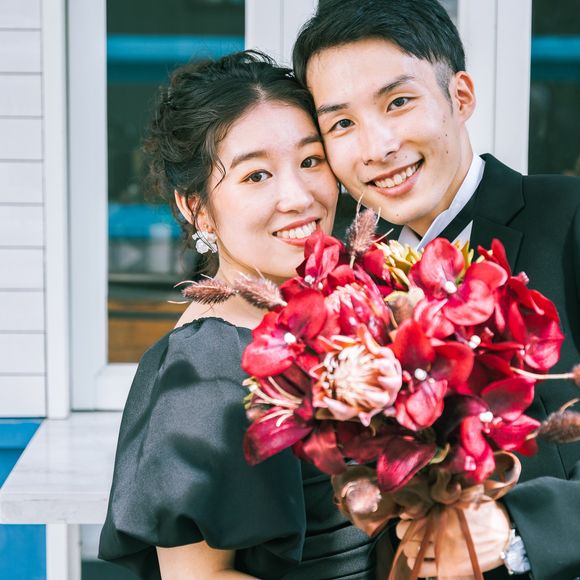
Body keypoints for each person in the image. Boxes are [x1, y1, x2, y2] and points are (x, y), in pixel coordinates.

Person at [292, 1, 580, 578]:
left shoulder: (567, 219)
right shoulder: (347, 282)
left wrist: (519, 531)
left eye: (398, 102)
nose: (376, 148)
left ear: (461, 97)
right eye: (342, 123)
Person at [98, 50, 379, 579]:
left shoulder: (342, 312)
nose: (298, 197)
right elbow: (198, 576)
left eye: (311, 161)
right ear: (197, 208)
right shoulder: (205, 365)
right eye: (256, 175)